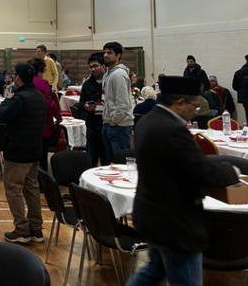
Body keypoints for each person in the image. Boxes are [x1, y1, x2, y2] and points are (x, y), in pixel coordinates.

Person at [126, 76, 238, 286]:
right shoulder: (173, 130)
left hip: (152, 212)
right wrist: (232, 172)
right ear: (179, 102)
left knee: (154, 271)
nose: (196, 111)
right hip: (175, 221)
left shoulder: (147, 120)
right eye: (194, 106)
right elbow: (202, 171)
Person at [0, 63, 46, 244]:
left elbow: (3, 114)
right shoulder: (39, 96)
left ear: (17, 77)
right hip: (35, 149)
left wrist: (9, 96)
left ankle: (21, 229)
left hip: (18, 150)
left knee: (13, 189)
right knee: (32, 188)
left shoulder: (19, 98)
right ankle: (36, 228)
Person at [101, 42, 133, 163]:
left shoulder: (119, 74)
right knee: (112, 163)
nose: (105, 55)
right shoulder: (108, 74)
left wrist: (113, 121)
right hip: (109, 123)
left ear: (118, 55)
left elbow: (123, 103)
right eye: (104, 52)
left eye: (109, 52)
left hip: (119, 126)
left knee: (121, 163)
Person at [75, 53, 107, 167]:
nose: (93, 69)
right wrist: (85, 106)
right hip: (92, 125)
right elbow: (80, 103)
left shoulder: (110, 81)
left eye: (95, 66)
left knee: (106, 159)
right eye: (91, 67)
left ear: (103, 66)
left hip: (107, 124)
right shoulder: (87, 84)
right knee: (91, 158)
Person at [28, 58, 60, 170]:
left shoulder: (23, 82)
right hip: (42, 125)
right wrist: (58, 118)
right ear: (41, 71)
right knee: (42, 156)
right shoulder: (42, 83)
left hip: (27, 126)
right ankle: (43, 181)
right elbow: (50, 105)